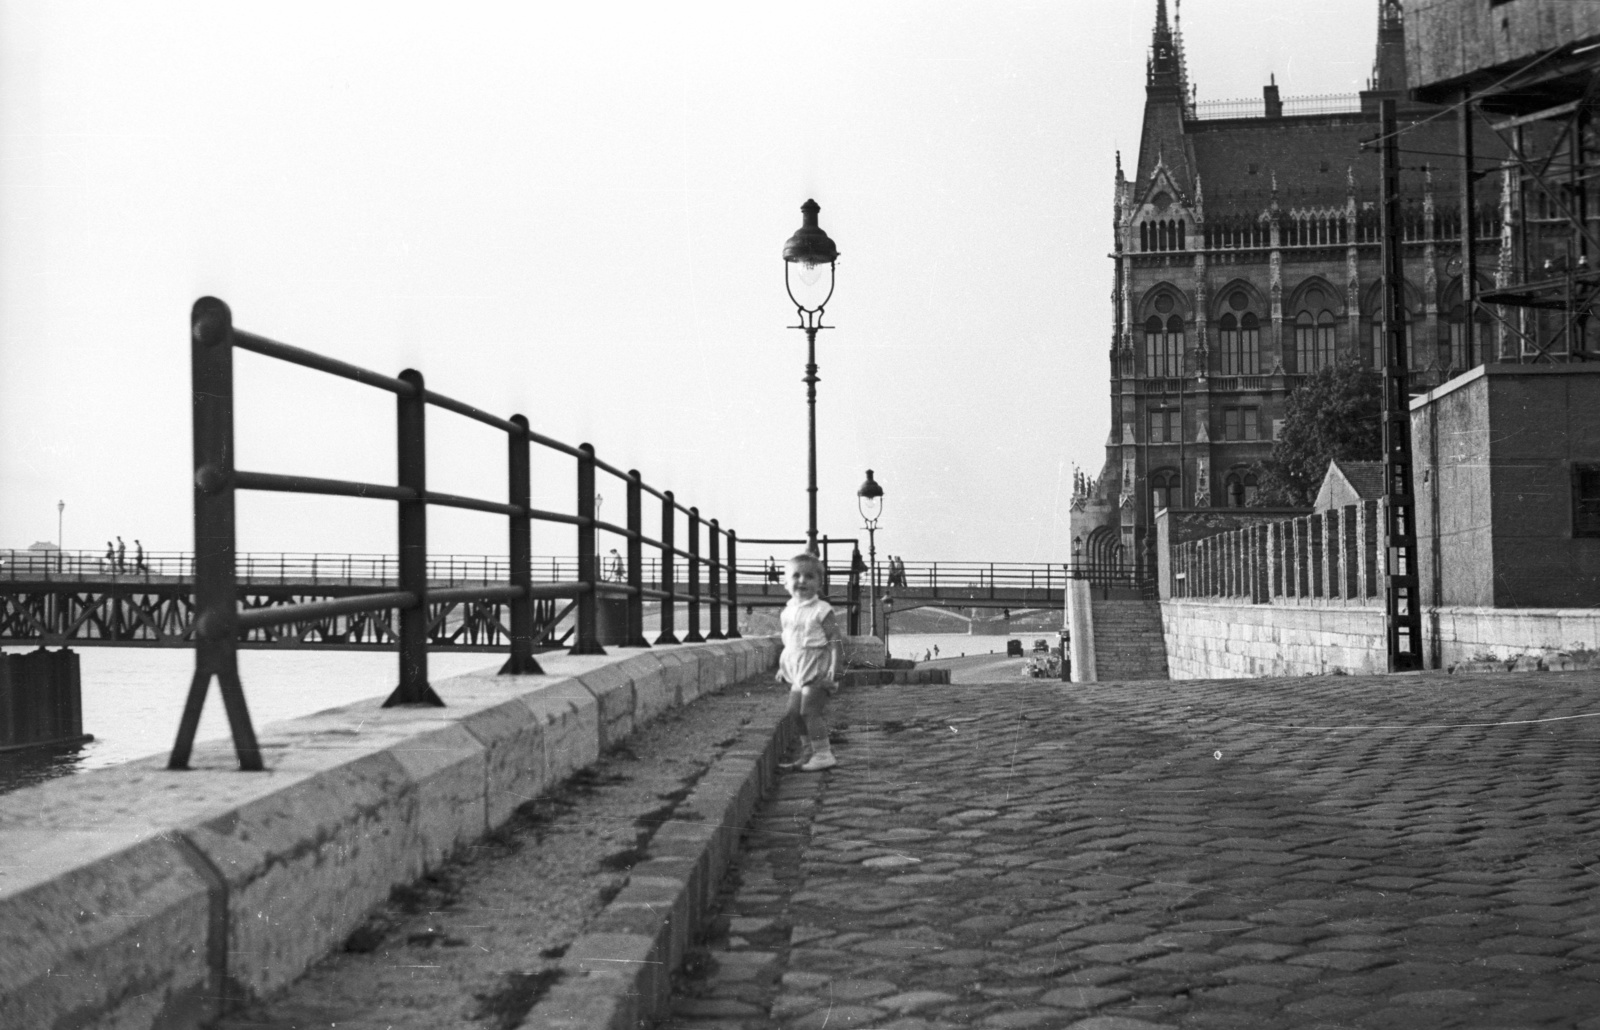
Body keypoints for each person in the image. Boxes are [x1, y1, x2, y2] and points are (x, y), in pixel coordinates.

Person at [776, 553, 842, 772]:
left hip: (817, 668)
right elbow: (790, 643)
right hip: (797, 671)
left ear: (819, 583)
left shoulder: (822, 610)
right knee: (794, 712)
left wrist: (835, 667)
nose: (802, 580)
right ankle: (808, 752)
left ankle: (824, 754)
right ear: (786, 583)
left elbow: (834, 641)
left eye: (809, 576)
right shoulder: (787, 612)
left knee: (810, 711)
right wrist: (782, 668)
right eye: (796, 576)